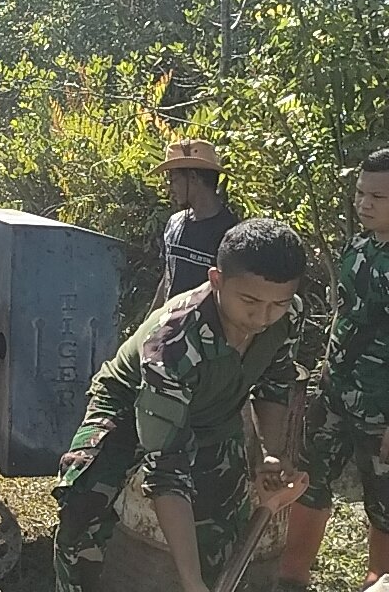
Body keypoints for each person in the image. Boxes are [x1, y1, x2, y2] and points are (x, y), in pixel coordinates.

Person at [53, 218, 306, 592]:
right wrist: (191, 582)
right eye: (250, 301)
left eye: (277, 304)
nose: (263, 317)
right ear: (216, 280)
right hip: (128, 408)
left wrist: (269, 454)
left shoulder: (289, 316)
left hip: (213, 414)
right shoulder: (172, 344)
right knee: (83, 523)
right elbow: (166, 468)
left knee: (219, 535)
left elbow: (275, 382)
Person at [279, 148, 389, 591]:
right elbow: (344, 314)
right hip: (336, 392)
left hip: (381, 407)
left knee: (384, 504)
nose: (364, 203)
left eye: (378, 196)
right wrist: (324, 372)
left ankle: (378, 581)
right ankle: (291, 575)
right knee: (309, 481)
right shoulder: (358, 246)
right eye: (360, 193)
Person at [150, 139, 239, 312]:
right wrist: (150, 322)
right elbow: (168, 276)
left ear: (193, 177)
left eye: (173, 179)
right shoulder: (175, 223)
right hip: (169, 324)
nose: (170, 188)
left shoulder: (231, 234)